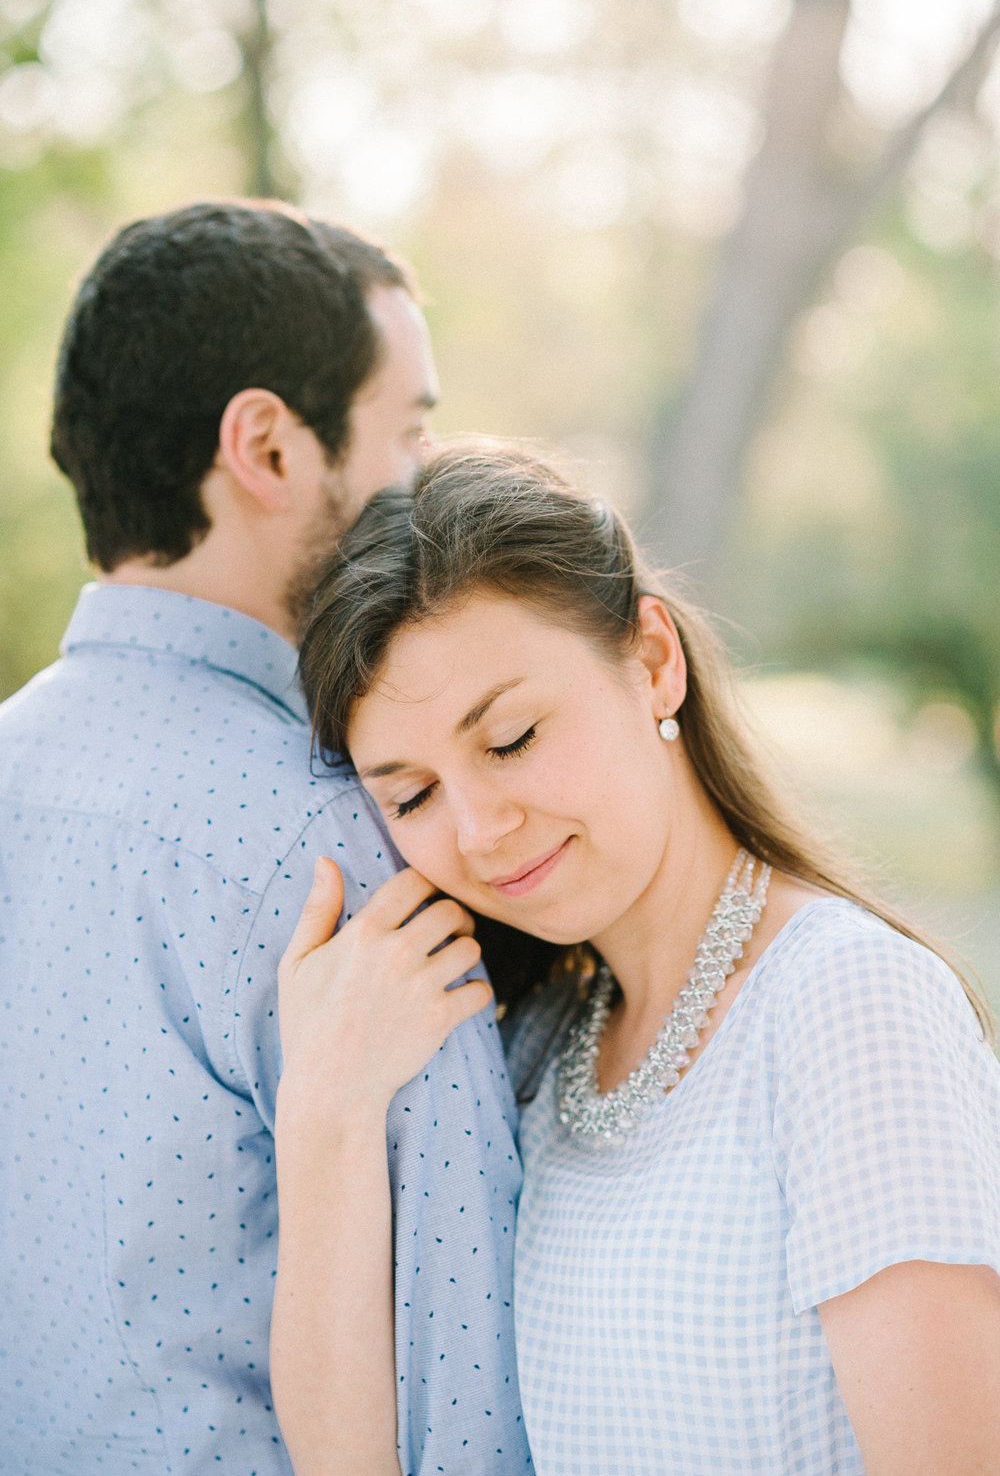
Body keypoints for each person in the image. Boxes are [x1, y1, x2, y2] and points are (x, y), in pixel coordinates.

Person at [274, 442, 1000, 1475]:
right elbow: (348, 1460)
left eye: (512, 737)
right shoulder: (530, 1051)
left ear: (654, 660)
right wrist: (326, 1112)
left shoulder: (845, 1006)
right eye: (413, 796)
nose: (480, 828)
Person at [0, 206, 531, 1475]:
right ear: (268, 447)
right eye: (406, 430)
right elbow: (452, 1395)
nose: (425, 473)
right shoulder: (344, 843)